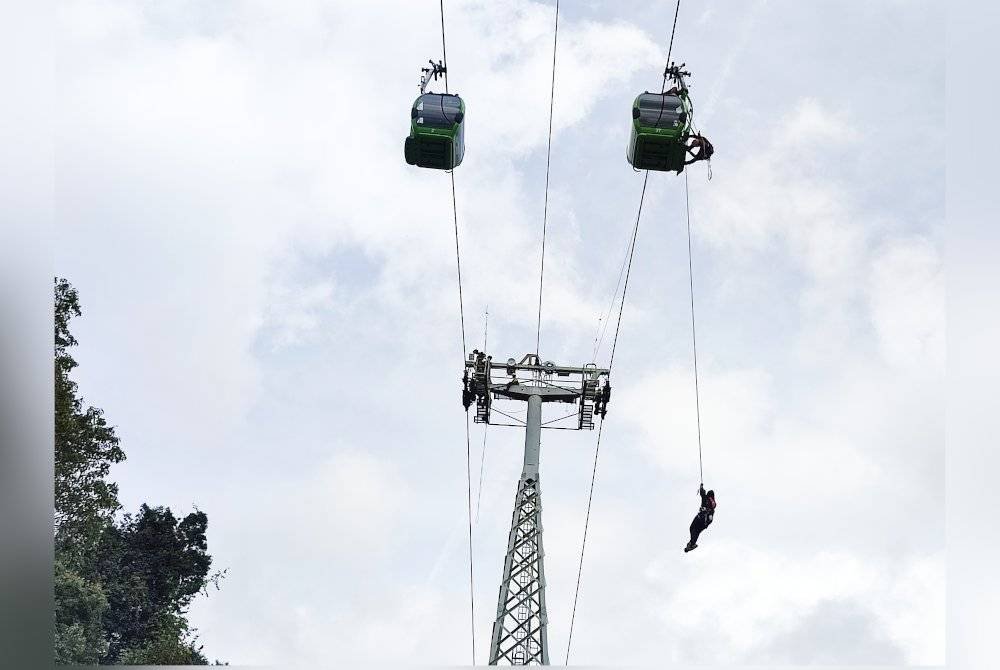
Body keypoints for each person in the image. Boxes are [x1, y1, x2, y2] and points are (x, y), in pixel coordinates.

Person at [684, 485, 716, 552]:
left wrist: (701, 487)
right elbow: (711, 516)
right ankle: (692, 543)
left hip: (701, 517)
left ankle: (692, 543)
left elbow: (702, 493)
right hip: (705, 521)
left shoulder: (706, 498)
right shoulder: (713, 504)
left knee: (692, 528)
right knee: (696, 531)